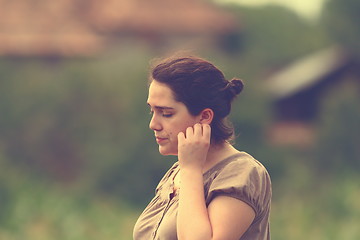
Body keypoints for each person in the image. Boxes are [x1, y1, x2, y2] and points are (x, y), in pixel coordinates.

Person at [133, 54, 272, 240]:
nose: (153, 124)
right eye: (152, 111)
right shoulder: (176, 173)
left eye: (166, 113)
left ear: (205, 117)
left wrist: (191, 169)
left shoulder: (242, 173)